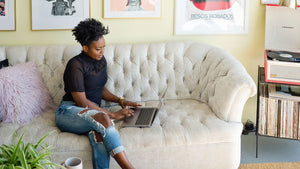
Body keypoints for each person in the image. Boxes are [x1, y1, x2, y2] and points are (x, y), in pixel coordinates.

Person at [55, 18, 141, 169]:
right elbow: (81, 102)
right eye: (98, 49)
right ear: (85, 48)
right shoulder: (75, 65)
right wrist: (112, 115)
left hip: (91, 113)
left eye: (103, 47)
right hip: (68, 112)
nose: (102, 52)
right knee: (103, 118)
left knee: (100, 135)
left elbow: (99, 89)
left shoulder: (101, 61)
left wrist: (120, 100)